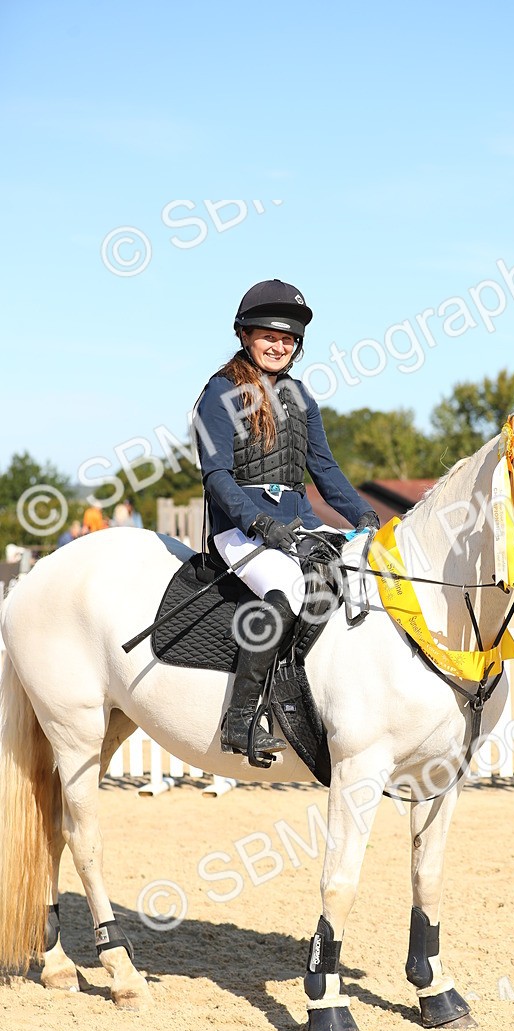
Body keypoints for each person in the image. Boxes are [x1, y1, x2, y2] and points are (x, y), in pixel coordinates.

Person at [192, 279, 379, 763]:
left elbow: (324, 468)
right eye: (268, 336)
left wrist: (362, 513)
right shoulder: (220, 392)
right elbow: (216, 475)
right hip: (238, 528)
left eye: (288, 340)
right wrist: (258, 524)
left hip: (297, 521)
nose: (279, 346)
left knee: (357, 575)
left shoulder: (299, 398)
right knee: (288, 590)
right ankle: (241, 719)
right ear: (244, 335)